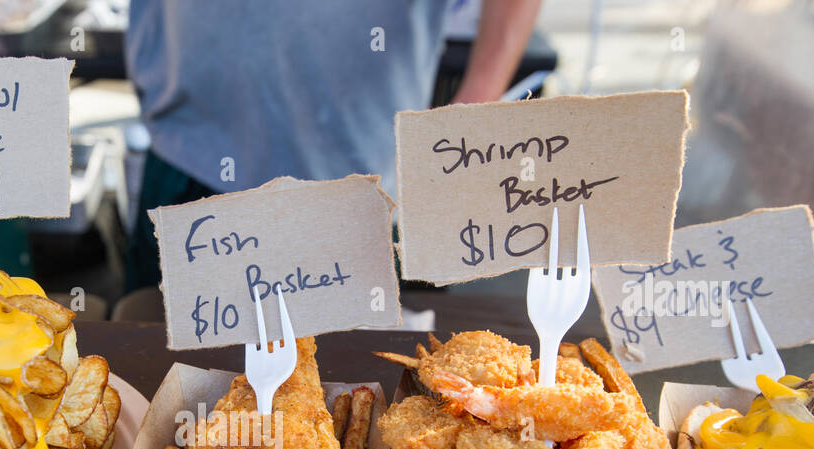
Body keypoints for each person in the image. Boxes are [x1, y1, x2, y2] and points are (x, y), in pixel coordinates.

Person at [123, 0, 543, 291]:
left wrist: (472, 108)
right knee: (156, 374)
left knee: (350, 384)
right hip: (187, 148)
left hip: (357, 173)